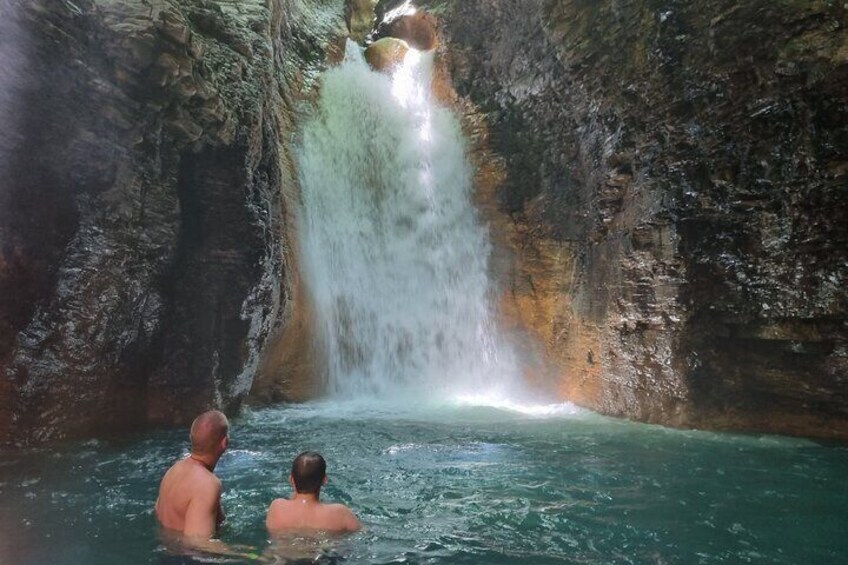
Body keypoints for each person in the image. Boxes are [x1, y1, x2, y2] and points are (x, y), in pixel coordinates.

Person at [155, 410, 229, 538]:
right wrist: (245, 554)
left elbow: (157, 510)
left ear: (191, 438)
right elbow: (198, 543)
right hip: (184, 557)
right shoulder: (207, 484)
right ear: (224, 442)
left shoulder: (173, 470)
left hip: (165, 549)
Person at [266, 451, 361, 533]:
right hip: (322, 553)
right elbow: (362, 532)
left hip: (279, 554)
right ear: (324, 480)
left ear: (291, 480)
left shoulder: (277, 506)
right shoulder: (340, 513)